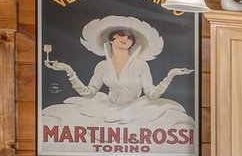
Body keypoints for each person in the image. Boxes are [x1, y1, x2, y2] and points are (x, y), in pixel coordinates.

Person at [39, 14, 194, 139]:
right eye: (121, 35)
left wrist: (170, 76)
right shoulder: (102, 65)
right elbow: (88, 93)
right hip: (107, 109)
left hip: (137, 110)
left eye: (130, 37)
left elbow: (152, 95)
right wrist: (68, 70)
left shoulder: (141, 65)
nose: (125, 39)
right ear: (111, 40)